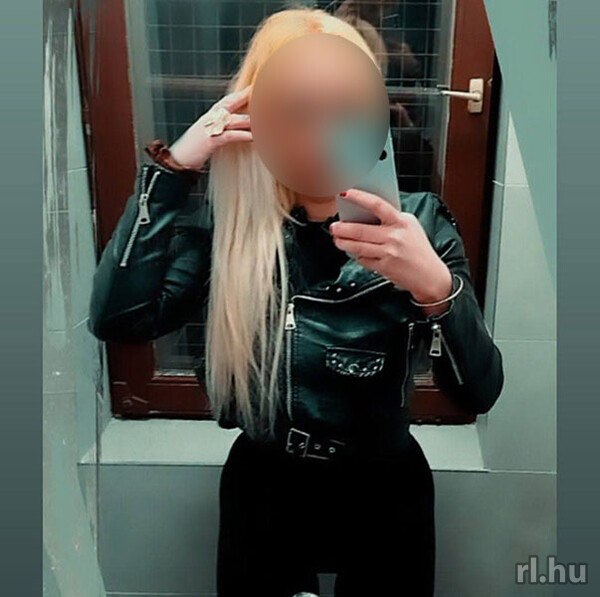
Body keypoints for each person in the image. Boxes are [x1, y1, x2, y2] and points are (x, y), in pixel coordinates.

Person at [88, 7, 504, 597]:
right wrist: (175, 169)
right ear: (260, 117)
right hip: (265, 488)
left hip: (385, 490)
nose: (320, 132)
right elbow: (119, 319)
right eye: (297, 110)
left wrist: (437, 291)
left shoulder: (419, 226)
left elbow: (478, 393)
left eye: (343, 108)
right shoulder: (228, 229)